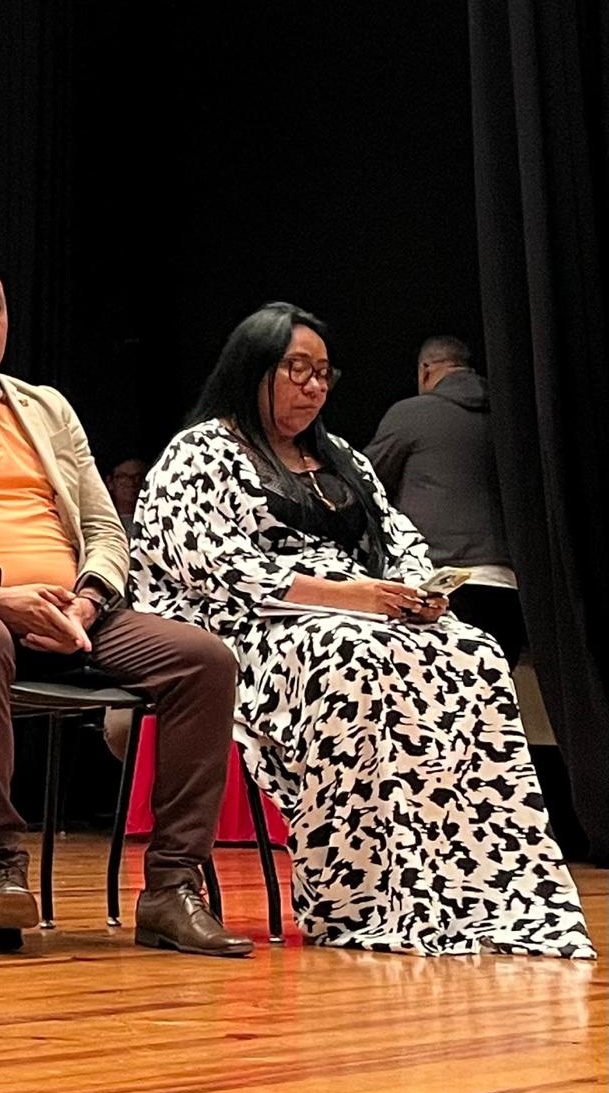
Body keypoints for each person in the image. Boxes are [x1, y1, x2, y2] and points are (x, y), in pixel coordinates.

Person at [130, 303, 591, 958]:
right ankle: (360, 898)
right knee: (348, 653)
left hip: (359, 614)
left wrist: (413, 593)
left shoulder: (342, 458)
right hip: (250, 627)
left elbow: (399, 538)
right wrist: (351, 599)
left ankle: (473, 893)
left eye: (324, 374)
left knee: (473, 654)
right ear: (253, 368)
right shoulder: (201, 452)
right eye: (297, 369)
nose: (314, 386)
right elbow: (214, 565)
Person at [0, 256, 248, 954]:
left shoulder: (46, 406)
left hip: (71, 613)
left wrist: (89, 599)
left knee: (203, 661)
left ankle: (172, 887)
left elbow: (107, 526)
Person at [366, 335, 524, 663]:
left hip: (439, 587)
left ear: (426, 371)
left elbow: (364, 484)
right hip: (511, 589)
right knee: (490, 699)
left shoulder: (411, 413)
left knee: (432, 703)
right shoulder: (514, 421)